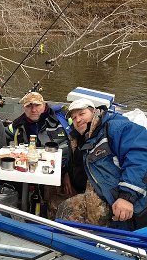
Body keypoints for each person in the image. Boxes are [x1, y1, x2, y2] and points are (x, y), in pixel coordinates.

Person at [56, 98, 147, 230]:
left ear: (94, 112)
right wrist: (66, 174)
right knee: (52, 198)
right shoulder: (80, 138)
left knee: (66, 211)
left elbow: (141, 157)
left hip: (119, 199)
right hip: (93, 191)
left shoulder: (116, 127)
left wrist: (127, 197)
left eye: (82, 114)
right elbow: (75, 164)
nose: (78, 120)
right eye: (74, 118)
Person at [5, 92, 76, 218]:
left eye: (37, 105)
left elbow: (75, 145)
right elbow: (2, 138)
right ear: (24, 108)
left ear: (44, 105)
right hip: (28, 172)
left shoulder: (63, 120)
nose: (33, 110)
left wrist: (67, 174)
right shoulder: (16, 126)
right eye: (29, 106)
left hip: (62, 172)